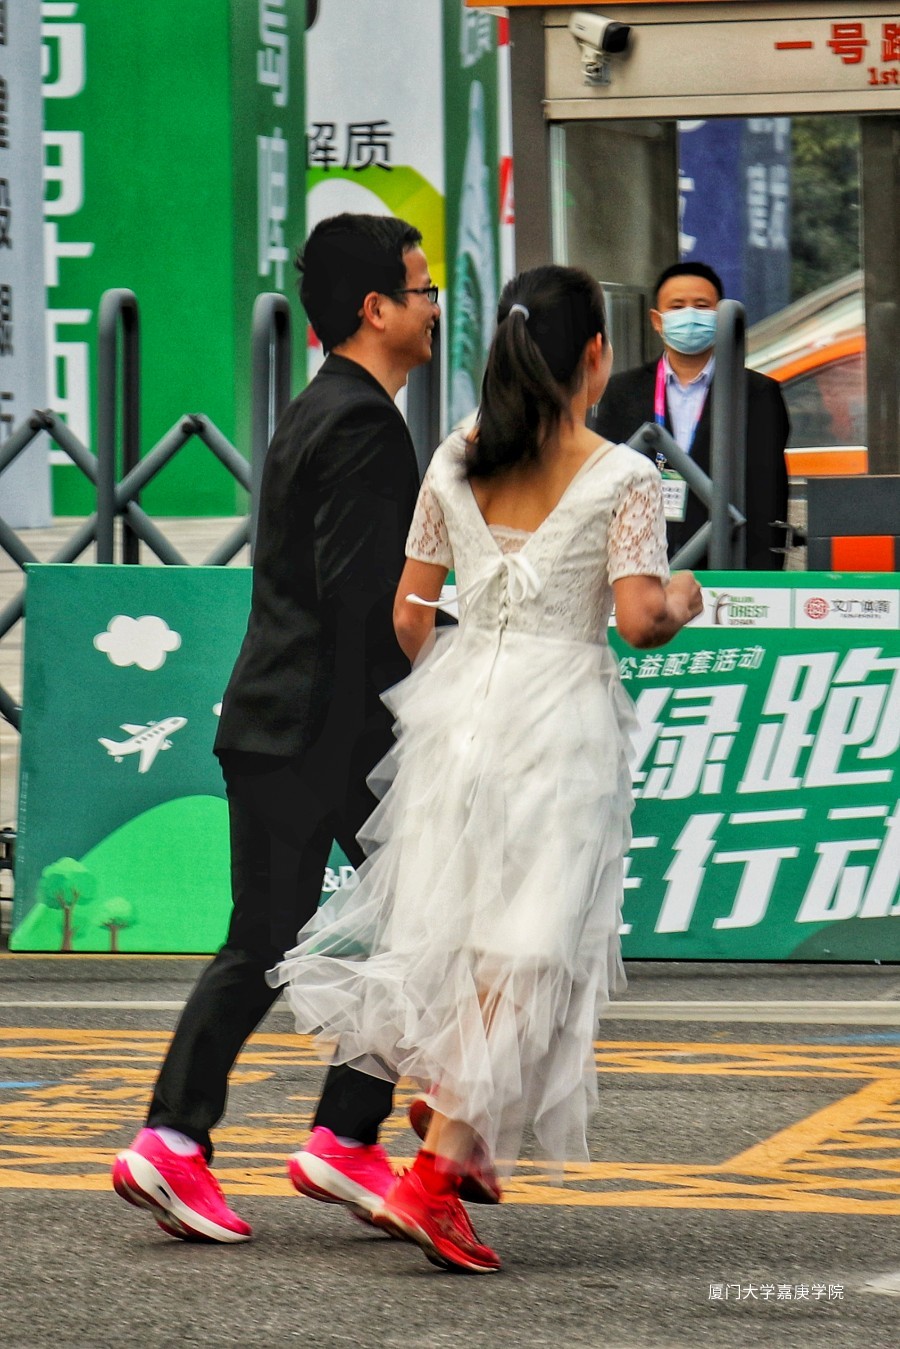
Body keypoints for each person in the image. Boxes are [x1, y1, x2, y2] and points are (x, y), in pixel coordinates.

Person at [268, 264, 703, 1273]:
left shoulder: (454, 459)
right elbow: (640, 619)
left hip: (459, 714)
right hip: (562, 719)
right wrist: (687, 596)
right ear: (593, 355)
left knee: (467, 928)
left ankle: (460, 1120)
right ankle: (436, 1170)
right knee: (532, 945)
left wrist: (465, 682)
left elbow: (408, 611)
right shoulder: (623, 475)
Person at [112, 213, 444, 1242]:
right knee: (415, 924)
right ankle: (307, 1135)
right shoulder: (366, 425)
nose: (434, 306)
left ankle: (205, 1136)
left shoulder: (320, 406)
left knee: (274, 934)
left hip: (281, 718)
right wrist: (447, 664)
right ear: (375, 308)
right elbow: (363, 600)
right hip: (329, 727)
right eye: (422, 288)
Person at [592, 261, 790, 570]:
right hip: (638, 566)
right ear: (657, 320)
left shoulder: (758, 393)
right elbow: (603, 489)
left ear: (720, 317)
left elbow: (768, 497)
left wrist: (759, 581)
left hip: (726, 567)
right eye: (677, 306)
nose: (690, 315)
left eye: (701, 306)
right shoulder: (620, 392)